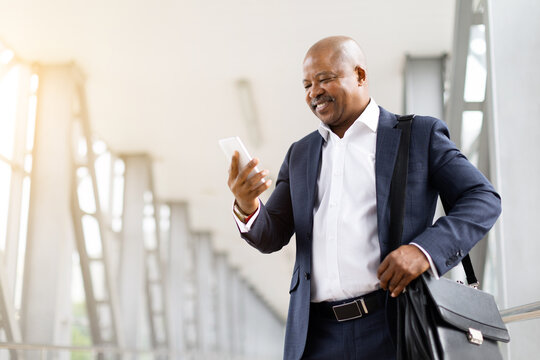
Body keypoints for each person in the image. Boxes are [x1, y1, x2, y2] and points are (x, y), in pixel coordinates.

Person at [226, 36, 501, 360]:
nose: (314, 91)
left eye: (325, 79)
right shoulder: (300, 154)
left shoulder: (418, 136)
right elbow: (271, 234)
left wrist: (423, 251)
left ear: (359, 75)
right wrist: (248, 205)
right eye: (307, 84)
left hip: (395, 326)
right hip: (316, 337)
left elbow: (482, 197)